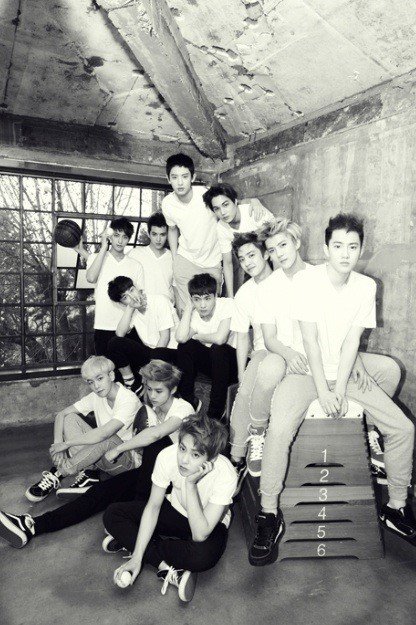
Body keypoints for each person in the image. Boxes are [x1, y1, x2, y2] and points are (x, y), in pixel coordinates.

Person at [249, 213, 415, 567]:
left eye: (353, 247)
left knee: (403, 428)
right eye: (338, 246)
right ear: (326, 249)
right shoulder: (307, 281)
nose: (345, 254)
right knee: (279, 429)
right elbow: (309, 340)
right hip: (306, 372)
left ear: (361, 249)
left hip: (344, 369)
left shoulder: (366, 287)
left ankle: (396, 506)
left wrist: (340, 387)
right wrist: (324, 392)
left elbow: (353, 339)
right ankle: (269, 513)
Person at [0, 360, 193, 550]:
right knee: (97, 494)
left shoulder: (183, 408)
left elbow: (155, 434)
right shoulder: (152, 409)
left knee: (156, 444)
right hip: (148, 474)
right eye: (149, 389)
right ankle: (32, 526)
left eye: (158, 391)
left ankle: (132, 528)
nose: (152, 395)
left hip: (173, 482)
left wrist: (118, 449)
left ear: (173, 389)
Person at [106, 414, 237, 603]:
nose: (184, 460)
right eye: (182, 448)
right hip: (175, 510)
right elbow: (153, 506)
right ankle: (160, 563)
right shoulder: (167, 456)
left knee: (202, 557)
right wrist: (136, 558)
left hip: (208, 523)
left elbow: (200, 534)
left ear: (212, 458)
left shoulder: (226, 474)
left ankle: (134, 541)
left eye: (195, 455)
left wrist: (190, 485)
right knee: (113, 514)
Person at [234, 218, 313, 478]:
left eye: (252, 255)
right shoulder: (255, 291)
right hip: (270, 351)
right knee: (250, 386)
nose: (248, 262)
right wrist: (242, 373)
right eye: (242, 259)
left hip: (307, 352)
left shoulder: (314, 277)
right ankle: (239, 453)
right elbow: (252, 338)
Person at [24, 356, 140, 502]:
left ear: (111, 375)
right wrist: (58, 443)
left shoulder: (128, 399)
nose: (96, 386)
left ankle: (59, 473)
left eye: (100, 378)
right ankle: (89, 474)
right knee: (70, 418)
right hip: (102, 455)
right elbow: (62, 414)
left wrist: (66, 444)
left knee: (107, 437)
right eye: (90, 382)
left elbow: (105, 433)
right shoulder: (97, 396)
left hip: (126, 462)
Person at [161, 153, 222, 314]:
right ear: (168, 179)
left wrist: (254, 202)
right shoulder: (167, 203)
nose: (180, 182)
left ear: (193, 177)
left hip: (212, 261)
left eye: (185, 176)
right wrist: (175, 258)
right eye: (174, 177)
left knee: (212, 312)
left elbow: (229, 207)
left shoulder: (206, 195)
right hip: (186, 259)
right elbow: (172, 229)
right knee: (186, 311)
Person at [176, 273, 237, 420]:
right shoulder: (194, 313)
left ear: (215, 296)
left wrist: (197, 336)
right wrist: (188, 308)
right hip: (214, 365)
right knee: (185, 346)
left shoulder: (227, 304)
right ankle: (188, 402)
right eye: (197, 299)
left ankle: (215, 413)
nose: (202, 305)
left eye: (207, 298)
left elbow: (220, 338)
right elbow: (181, 338)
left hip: (233, 364)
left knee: (218, 349)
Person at [107, 276, 178, 392]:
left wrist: (151, 367)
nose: (132, 297)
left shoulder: (159, 300)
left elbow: (165, 338)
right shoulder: (132, 310)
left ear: (136, 288)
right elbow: (119, 334)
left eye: (131, 290)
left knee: (157, 353)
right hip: (152, 353)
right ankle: (131, 382)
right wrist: (130, 308)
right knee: (114, 343)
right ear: (122, 304)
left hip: (171, 352)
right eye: (125, 297)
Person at [86, 217, 144, 357]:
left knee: (133, 369)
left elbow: (139, 297)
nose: (120, 241)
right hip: (103, 326)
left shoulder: (135, 265)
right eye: (117, 235)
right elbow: (91, 278)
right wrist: (103, 248)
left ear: (128, 239)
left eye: (124, 237)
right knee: (106, 369)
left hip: (128, 327)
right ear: (110, 236)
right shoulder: (96, 258)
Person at [203, 184, 273, 297]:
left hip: (272, 257)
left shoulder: (253, 212)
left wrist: (279, 278)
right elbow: (227, 263)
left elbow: (276, 245)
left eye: (225, 205)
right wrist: (230, 297)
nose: (223, 212)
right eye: (217, 209)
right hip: (251, 264)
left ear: (235, 202)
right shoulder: (221, 228)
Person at [128, 212, 174, 303]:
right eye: (154, 234)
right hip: (142, 308)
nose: (158, 239)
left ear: (167, 235)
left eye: (162, 234)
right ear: (148, 234)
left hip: (166, 308)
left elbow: (176, 288)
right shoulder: (134, 254)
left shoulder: (173, 257)